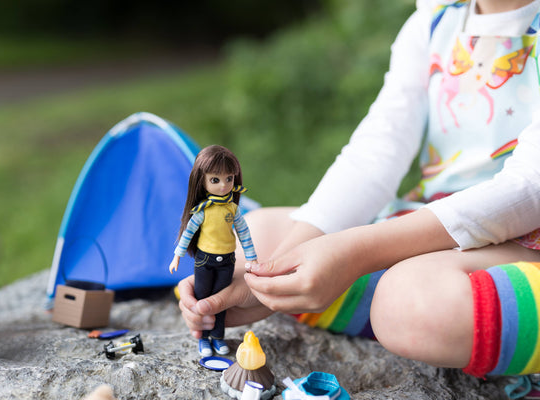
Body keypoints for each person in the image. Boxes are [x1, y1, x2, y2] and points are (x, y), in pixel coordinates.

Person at [176, 0, 540, 386]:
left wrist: (356, 251)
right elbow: (376, 152)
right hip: (444, 228)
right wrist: (273, 274)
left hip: (527, 237)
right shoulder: (436, 19)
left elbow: (529, 189)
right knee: (264, 239)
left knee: (407, 302)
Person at [170, 145, 258, 357]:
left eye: (229, 179)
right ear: (203, 181)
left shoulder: (232, 209)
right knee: (202, 299)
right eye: (215, 180)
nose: (224, 185)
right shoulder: (203, 211)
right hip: (204, 261)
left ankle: (218, 337)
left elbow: (244, 233)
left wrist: (252, 258)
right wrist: (177, 256)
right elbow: (189, 232)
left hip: (227, 261)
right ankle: (203, 339)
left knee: (221, 301)